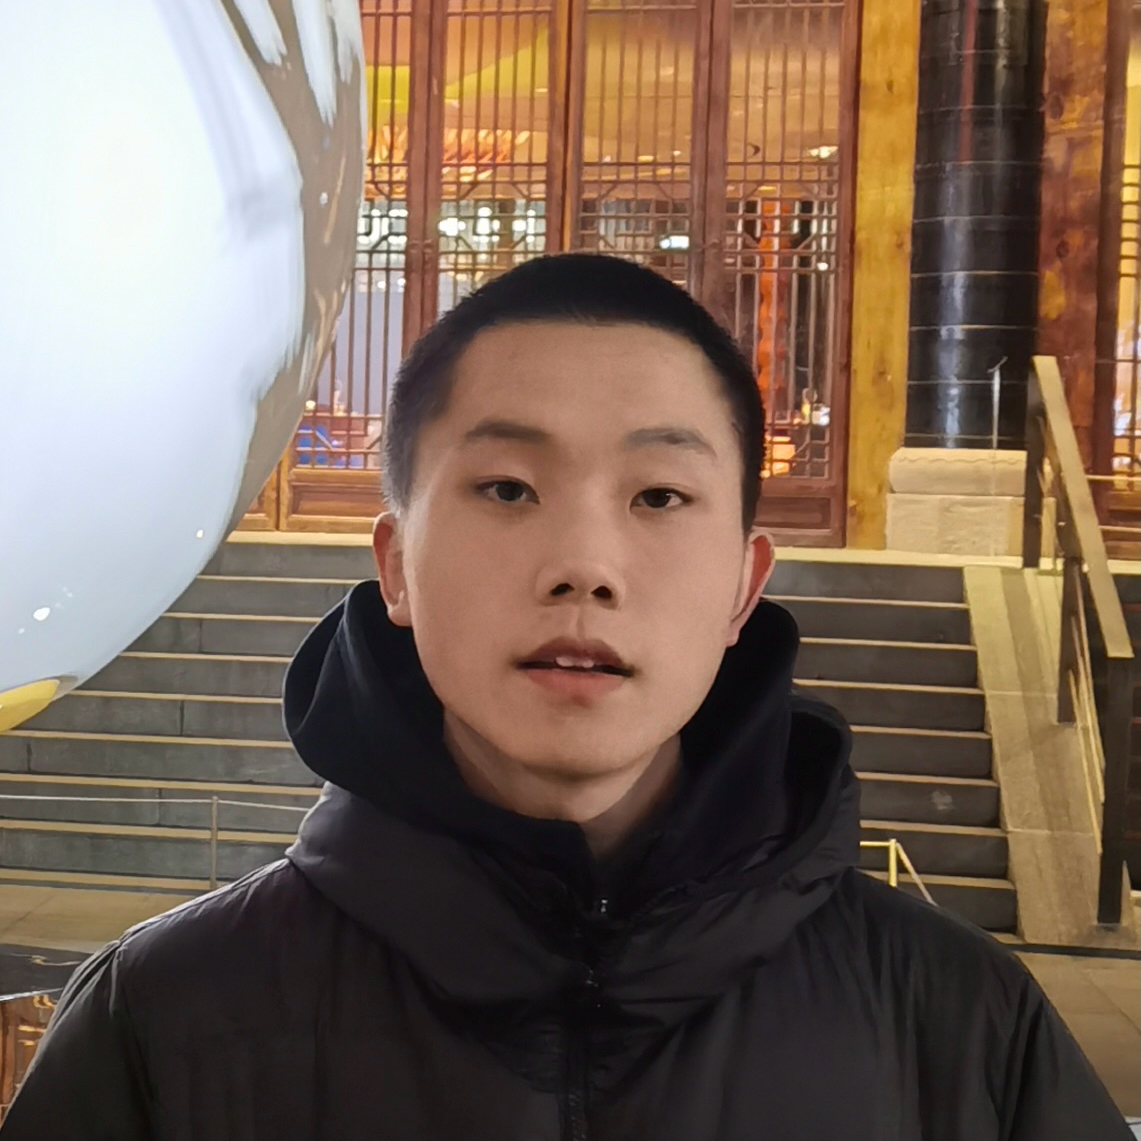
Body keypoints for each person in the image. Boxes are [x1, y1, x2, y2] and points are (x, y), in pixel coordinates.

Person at [2, 254, 1129, 1140]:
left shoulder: (961, 1028)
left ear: (743, 586)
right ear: (396, 566)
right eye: (507, 487)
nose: (583, 565)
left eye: (658, 494)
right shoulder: (163, 1021)